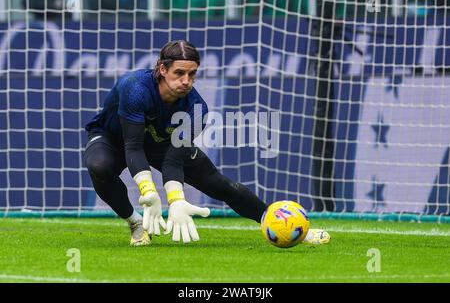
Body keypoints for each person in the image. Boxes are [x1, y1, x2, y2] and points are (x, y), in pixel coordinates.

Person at [83, 40, 330, 246]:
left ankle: (281, 222)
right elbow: (133, 146)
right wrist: (149, 192)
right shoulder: (135, 88)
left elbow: (173, 158)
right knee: (99, 166)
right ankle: (136, 223)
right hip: (115, 137)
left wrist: (176, 200)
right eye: (179, 73)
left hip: (161, 143)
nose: (186, 81)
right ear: (161, 69)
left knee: (220, 184)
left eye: (192, 74)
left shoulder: (197, 108)